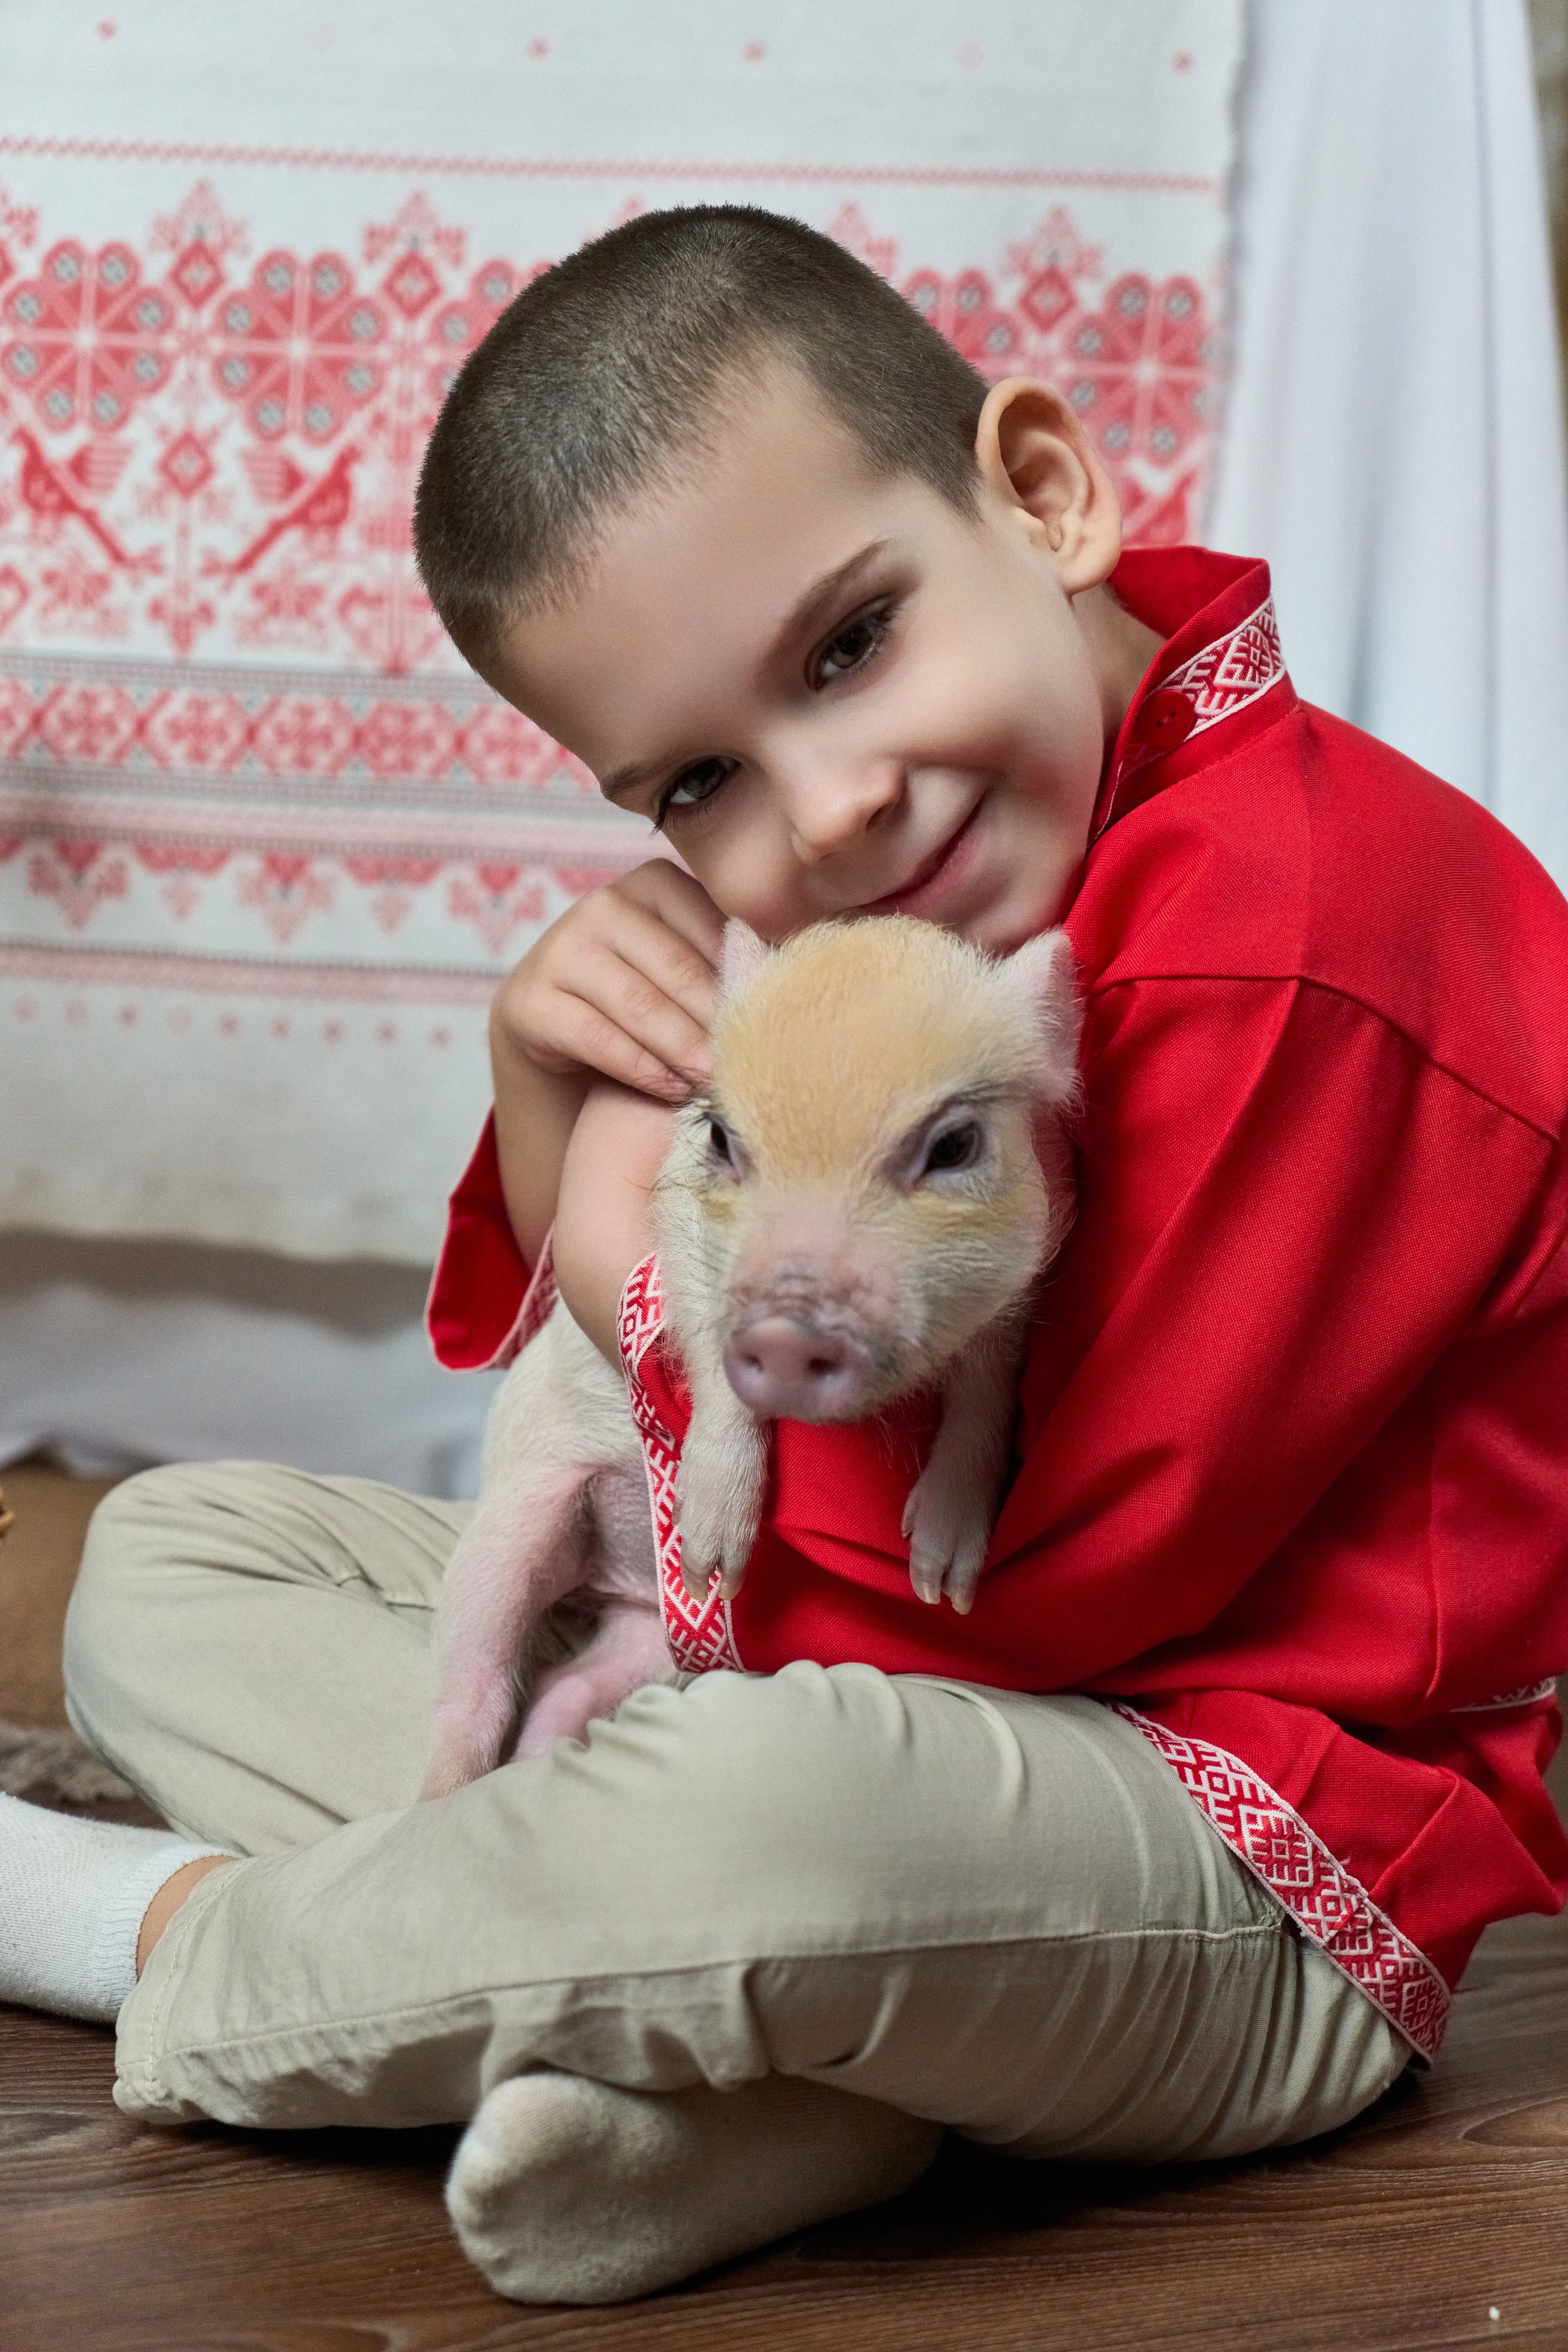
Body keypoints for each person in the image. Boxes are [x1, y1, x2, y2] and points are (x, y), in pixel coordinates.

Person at [3, 205, 1567, 2307]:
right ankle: (776, 2085)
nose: (825, 815)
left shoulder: (1295, 941)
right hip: (866, 1739)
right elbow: (593, 1381)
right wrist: (553, 1074)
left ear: (1041, 493)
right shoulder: (956, 903)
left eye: (849, 646)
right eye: (704, 779)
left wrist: (621, 1228)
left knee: (763, 1809)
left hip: (1228, 1852)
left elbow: (1031, 1596)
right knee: (176, 1560)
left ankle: (181, 1946)